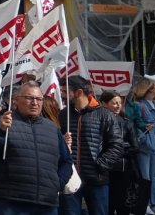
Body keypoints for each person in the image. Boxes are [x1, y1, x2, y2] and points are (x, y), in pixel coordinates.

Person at [0, 82, 73, 214]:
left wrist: (57, 183)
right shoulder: (3, 122)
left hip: (46, 203)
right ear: (16, 100)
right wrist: (0, 131)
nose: (34, 103)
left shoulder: (52, 128)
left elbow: (66, 161)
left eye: (38, 99)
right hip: (11, 202)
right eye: (29, 98)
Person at [60, 75, 128, 215]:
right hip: (70, 178)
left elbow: (117, 145)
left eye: (66, 91)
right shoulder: (63, 114)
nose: (62, 94)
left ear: (78, 92)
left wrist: (101, 164)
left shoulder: (104, 114)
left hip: (96, 180)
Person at [125, 78, 155, 215]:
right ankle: (145, 204)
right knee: (145, 176)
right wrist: (143, 134)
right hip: (145, 144)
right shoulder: (139, 105)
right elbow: (134, 124)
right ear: (148, 88)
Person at [98, 91, 139, 215]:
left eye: (119, 103)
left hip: (122, 167)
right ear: (104, 104)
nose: (118, 105)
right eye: (114, 103)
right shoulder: (97, 120)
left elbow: (135, 147)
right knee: (106, 202)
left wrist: (118, 151)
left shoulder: (126, 122)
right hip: (104, 168)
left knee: (122, 202)